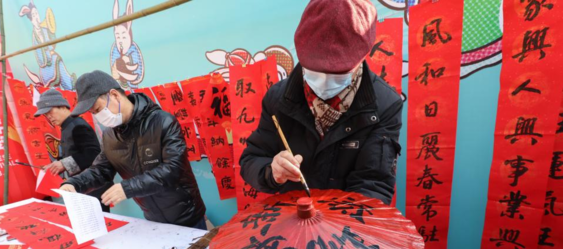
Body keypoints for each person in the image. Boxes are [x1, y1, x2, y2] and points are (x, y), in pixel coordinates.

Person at [239, 0, 402, 205]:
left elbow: (373, 184)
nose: (324, 82)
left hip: (346, 226)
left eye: (339, 73)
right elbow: (251, 160)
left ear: (360, 58)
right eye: (314, 71)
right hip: (293, 217)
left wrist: (336, 227)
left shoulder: (385, 105)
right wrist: (272, 172)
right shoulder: (278, 98)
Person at [59, 70, 207, 229]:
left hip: (187, 216)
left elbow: (173, 169)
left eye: (98, 109)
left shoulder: (162, 121)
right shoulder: (110, 135)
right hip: (153, 218)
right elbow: (101, 170)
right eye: (93, 113)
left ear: (115, 95)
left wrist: (127, 188)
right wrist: (74, 183)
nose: (97, 116)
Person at [34, 89, 111, 212]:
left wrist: (64, 164)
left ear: (63, 106)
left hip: (93, 185)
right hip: (83, 185)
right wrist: (55, 164)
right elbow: (74, 152)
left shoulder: (77, 125)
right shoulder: (67, 126)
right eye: (45, 114)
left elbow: (93, 154)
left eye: (50, 111)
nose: (49, 117)